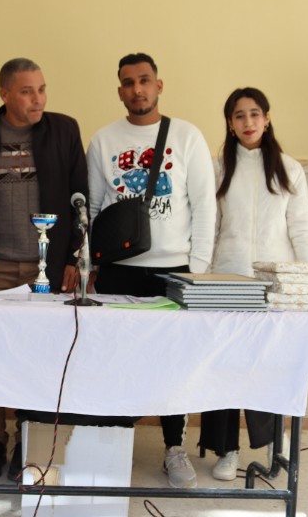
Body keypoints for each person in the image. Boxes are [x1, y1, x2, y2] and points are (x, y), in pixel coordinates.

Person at [86, 52, 216, 489]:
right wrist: (91, 265)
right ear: (119, 91)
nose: (137, 89)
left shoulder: (187, 136)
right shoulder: (103, 140)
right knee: (116, 357)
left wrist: (197, 270)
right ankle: (112, 444)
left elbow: (204, 205)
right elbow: (95, 208)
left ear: (159, 85)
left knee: (172, 362)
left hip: (173, 269)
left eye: (144, 80)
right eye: (128, 82)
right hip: (118, 271)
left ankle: (174, 448)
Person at [0, 58, 88, 481]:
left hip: (45, 269)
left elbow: (80, 196)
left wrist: (73, 258)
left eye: (42, 89)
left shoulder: (64, 130)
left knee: (40, 357)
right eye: (27, 91)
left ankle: (27, 440)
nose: (38, 99)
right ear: (4, 94)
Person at [200, 87, 308, 481]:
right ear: (230, 123)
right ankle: (226, 450)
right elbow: (209, 230)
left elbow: (302, 230)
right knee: (225, 365)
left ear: (267, 119)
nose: (248, 122)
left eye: (255, 114)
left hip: (275, 286)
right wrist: (199, 280)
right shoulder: (217, 168)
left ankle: (274, 440)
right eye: (239, 115)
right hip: (227, 281)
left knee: (270, 364)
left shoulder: (289, 169)